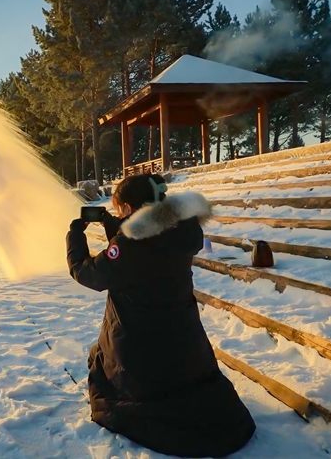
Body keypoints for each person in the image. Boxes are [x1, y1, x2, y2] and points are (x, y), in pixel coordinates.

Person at [66, 174, 256, 458]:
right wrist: (115, 227)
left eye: (121, 211)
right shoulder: (182, 231)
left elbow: (88, 273)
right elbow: (144, 246)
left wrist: (75, 236)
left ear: (130, 209)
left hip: (141, 349)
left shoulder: (131, 246)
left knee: (104, 366)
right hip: (184, 342)